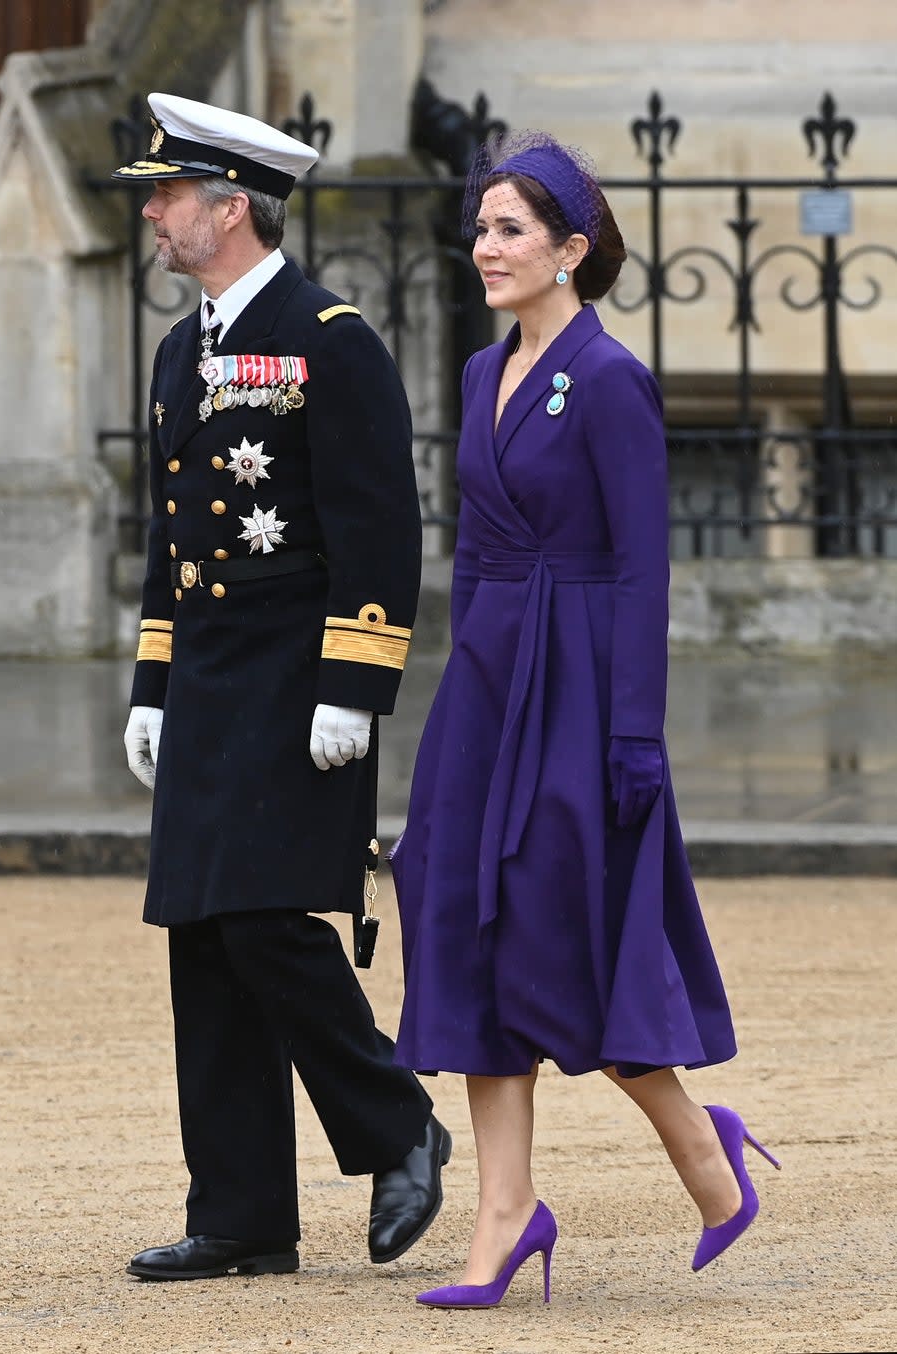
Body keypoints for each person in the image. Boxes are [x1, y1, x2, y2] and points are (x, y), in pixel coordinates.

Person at [389, 131, 780, 1309]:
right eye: (480, 227)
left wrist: (631, 732)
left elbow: (643, 568)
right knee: (453, 915)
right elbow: (470, 552)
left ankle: (702, 1148)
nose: (486, 248)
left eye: (510, 229)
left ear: (570, 250)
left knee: (570, 929)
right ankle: (505, 1212)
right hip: (488, 685)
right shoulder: (474, 373)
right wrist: (463, 681)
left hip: (582, 690)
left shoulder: (610, 379)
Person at [113, 92, 450, 1282]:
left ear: (230, 205)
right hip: (206, 681)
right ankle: (244, 1212)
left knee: (265, 918)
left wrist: (354, 683)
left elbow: (378, 528)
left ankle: (398, 1119)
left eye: (166, 193)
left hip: (298, 679)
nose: (151, 213)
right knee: (201, 937)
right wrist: (151, 680)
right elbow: (169, 540)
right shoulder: (178, 348)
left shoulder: (332, 335)